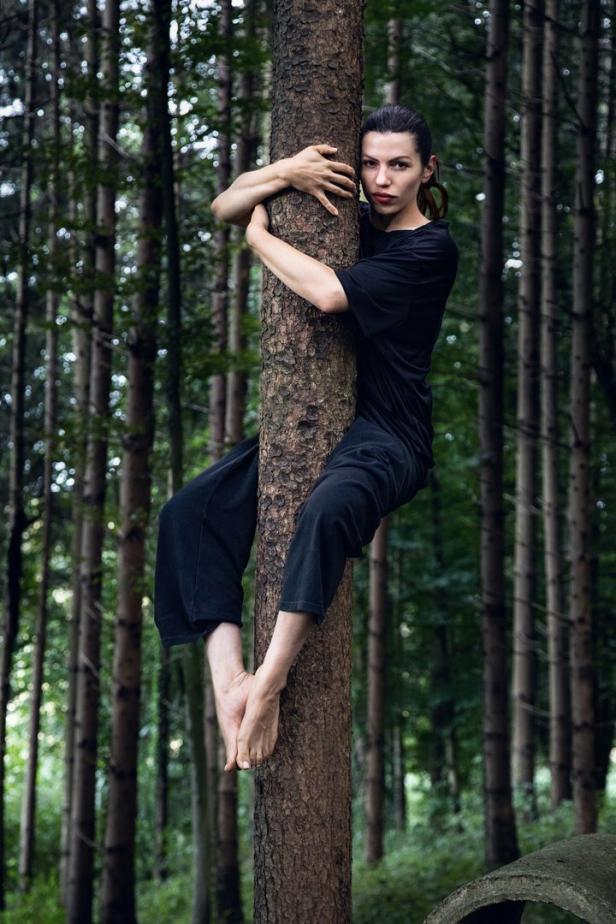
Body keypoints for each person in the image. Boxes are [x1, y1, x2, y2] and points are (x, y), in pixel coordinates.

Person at [154, 104, 459, 773]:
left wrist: (259, 240)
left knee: (323, 512)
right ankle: (228, 682)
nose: (381, 179)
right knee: (189, 514)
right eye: (371, 163)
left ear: (426, 170)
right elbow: (224, 204)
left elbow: (324, 293)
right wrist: (285, 170)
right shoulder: (345, 220)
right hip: (320, 426)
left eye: (400, 165)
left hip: (390, 435)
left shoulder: (429, 248)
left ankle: (267, 685)